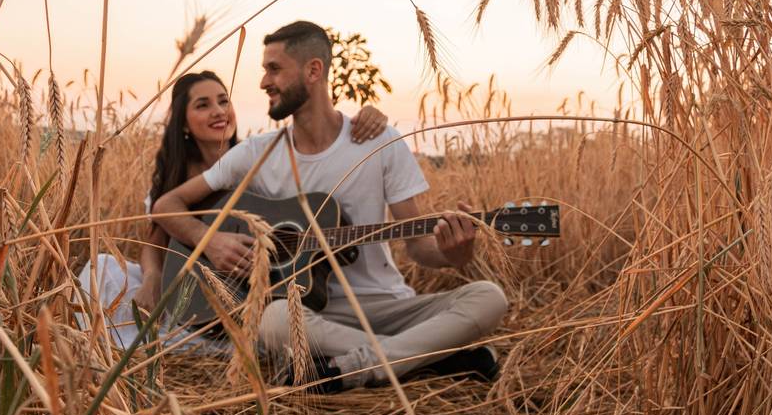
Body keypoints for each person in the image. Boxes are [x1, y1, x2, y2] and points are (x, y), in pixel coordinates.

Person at [152, 22, 509, 391]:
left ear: (313, 71)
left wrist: (456, 253)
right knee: (273, 319)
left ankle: (357, 365)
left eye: (274, 68)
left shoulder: (379, 142)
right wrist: (210, 240)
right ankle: (434, 358)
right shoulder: (257, 154)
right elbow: (166, 205)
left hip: (386, 305)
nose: (263, 82)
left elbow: (420, 247)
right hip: (313, 314)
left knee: (488, 297)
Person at [77, 70, 389, 349]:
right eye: (203, 105)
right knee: (101, 270)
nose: (218, 112)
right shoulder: (177, 178)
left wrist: (362, 118)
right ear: (183, 123)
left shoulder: (258, 161)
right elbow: (155, 241)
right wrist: (153, 278)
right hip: (186, 285)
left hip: (243, 294)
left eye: (223, 101)